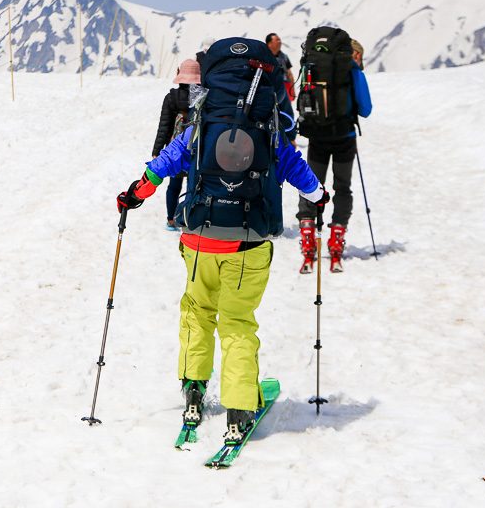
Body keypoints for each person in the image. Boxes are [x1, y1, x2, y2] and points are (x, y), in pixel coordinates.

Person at [117, 38, 329, 444]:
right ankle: (238, 410)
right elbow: (296, 170)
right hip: (248, 246)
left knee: (197, 313)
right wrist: (320, 197)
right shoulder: (268, 124)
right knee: (237, 324)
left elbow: (163, 165)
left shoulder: (201, 121)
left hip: (198, 239)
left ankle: (193, 393)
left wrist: (133, 195)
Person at [296, 37, 372, 273]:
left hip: (317, 136)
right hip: (344, 139)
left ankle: (308, 237)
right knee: (342, 187)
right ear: (354, 54)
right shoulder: (353, 71)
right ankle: (336, 241)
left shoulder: (313, 67)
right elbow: (366, 109)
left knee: (311, 185)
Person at [151, 58, 200, 230]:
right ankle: (189, 218)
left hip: (176, 150)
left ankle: (171, 219)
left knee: (174, 186)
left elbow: (164, 127)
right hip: (197, 149)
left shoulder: (171, 98)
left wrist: (157, 150)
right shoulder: (203, 99)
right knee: (193, 185)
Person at [265, 33, 296, 101]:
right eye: (277, 40)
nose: (280, 42)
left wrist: (292, 90)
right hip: (269, 87)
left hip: (285, 87)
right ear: (269, 44)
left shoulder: (284, 57)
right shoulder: (264, 57)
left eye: (280, 40)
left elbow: (289, 74)